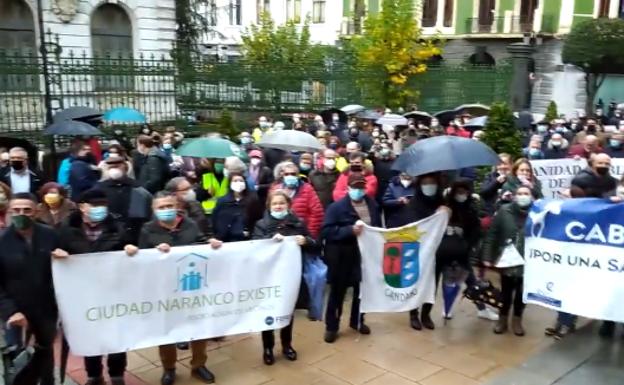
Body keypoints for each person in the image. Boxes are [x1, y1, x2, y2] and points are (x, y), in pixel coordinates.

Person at [135, 191, 218, 385]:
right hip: (163, 288)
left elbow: (200, 244)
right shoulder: (148, 230)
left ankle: (199, 365)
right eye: (161, 207)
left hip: (192, 288)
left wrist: (210, 244)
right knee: (167, 329)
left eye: (169, 206)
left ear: (176, 206)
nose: (166, 210)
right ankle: (169, 368)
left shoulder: (190, 224)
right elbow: (141, 260)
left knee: (198, 326)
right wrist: (154, 253)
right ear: (154, 210)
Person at [57, 189, 131, 385]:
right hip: (83, 293)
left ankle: (117, 375)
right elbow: (54, 251)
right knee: (89, 334)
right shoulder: (66, 228)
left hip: (113, 292)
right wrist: (56, 253)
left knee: (116, 335)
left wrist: (131, 249)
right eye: (94, 205)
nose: (99, 209)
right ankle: (94, 375)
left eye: (103, 205)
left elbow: (132, 251)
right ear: (82, 207)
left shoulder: (118, 228)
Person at [0, 192, 66, 385]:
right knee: (18, 357)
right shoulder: (2, 242)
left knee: (45, 351)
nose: (21, 214)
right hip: (17, 312)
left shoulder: (49, 234)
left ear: (36, 211)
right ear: (10, 212)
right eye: (16, 210)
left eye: (27, 210)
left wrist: (63, 257)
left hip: (46, 308)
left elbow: (63, 265)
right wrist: (11, 311)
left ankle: (48, 381)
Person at [251, 190, 317, 364]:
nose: (278, 206)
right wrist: (270, 240)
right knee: (269, 312)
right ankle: (268, 348)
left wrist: (306, 241)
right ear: (269, 206)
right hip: (269, 277)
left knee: (288, 311)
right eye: (275, 203)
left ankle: (287, 345)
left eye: (282, 203)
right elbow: (254, 247)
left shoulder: (298, 223)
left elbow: (314, 244)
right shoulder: (261, 225)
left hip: (291, 276)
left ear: (288, 204)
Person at [322, 173, 382, 343]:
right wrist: (349, 231)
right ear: (348, 188)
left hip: (364, 255)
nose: (358, 190)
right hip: (341, 255)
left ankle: (357, 320)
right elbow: (327, 231)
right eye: (355, 187)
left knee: (361, 291)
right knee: (337, 293)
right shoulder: (337, 207)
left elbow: (377, 226)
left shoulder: (372, 204)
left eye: (361, 187)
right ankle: (332, 327)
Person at [481, 186, 535, 336]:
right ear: (514, 196)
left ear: (532, 197)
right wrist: (487, 256)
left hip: (528, 260)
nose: (522, 196)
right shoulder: (505, 211)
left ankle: (517, 319)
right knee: (506, 291)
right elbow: (492, 234)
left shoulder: (538, 213)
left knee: (521, 293)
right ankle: (502, 318)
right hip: (507, 259)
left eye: (526, 193)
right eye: (519, 193)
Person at [406, 173, 450, 330]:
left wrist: (445, 213)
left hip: (438, 250)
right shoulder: (414, 203)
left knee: (433, 282)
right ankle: (413, 313)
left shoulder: (442, 202)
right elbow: (413, 225)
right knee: (416, 281)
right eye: (426, 183)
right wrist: (434, 215)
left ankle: (426, 314)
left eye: (432, 182)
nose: (429, 186)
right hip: (419, 250)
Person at [270, 162, 323, 238]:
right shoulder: (275, 189)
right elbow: (269, 212)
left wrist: (308, 236)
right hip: (279, 236)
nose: (290, 176)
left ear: (298, 175)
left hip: (301, 235)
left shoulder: (307, 189)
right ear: (282, 175)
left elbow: (317, 214)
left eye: (293, 174)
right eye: (287, 174)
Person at [212, 172, 263, 242]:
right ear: (230, 183)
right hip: (226, 240)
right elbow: (215, 219)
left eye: (241, 181)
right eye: (235, 181)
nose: (238, 183)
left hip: (247, 240)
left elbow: (258, 219)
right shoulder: (222, 201)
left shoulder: (252, 200)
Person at [479, 153, 512, 225]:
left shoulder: (513, 178)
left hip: (509, 214)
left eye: (505, 164)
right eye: (500, 164)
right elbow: (483, 193)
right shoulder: (490, 176)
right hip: (491, 213)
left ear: (510, 165)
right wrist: (496, 182)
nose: (503, 167)